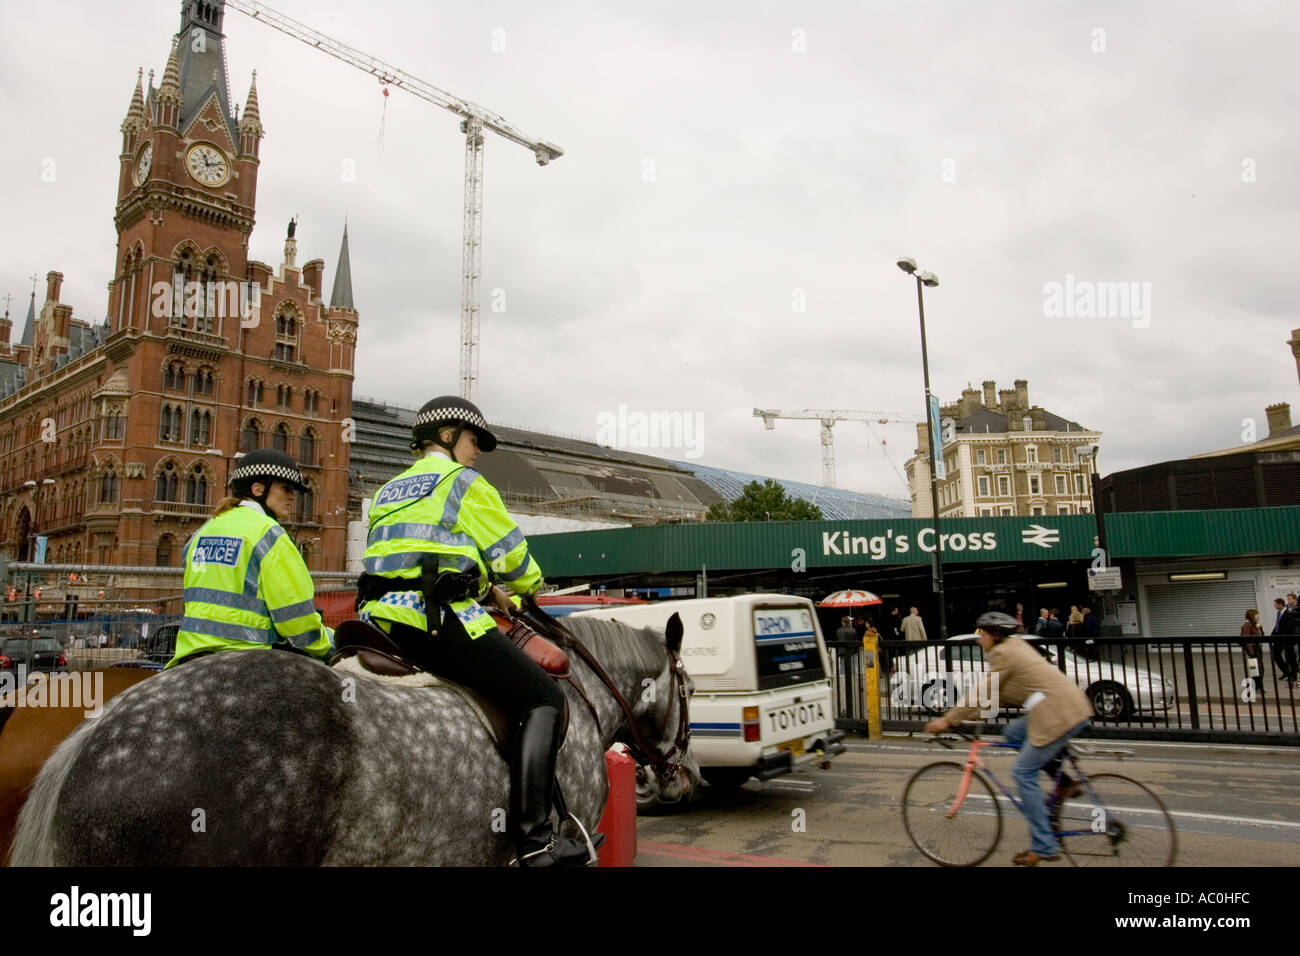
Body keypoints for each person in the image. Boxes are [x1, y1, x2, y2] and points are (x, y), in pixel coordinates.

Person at [356, 395, 590, 867]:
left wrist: (483, 586)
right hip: (434, 623)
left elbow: (413, 557)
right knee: (543, 697)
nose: (477, 450)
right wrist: (524, 585)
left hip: (378, 624)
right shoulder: (464, 483)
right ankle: (536, 842)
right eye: (472, 440)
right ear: (447, 437)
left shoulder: (387, 490)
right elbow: (514, 561)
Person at [924, 611, 1092, 867]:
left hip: (1057, 713)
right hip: (1064, 705)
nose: (978, 639)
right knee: (1012, 733)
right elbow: (998, 693)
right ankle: (1065, 783)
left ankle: (1044, 846)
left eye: (981, 634)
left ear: (995, 635)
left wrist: (946, 720)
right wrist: (971, 714)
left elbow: (984, 691)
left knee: (1023, 773)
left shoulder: (1003, 653)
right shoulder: (1015, 646)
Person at [168, 449, 332, 668]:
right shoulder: (268, 533)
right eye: (286, 488)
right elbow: (296, 620)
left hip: (189, 656)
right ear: (258, 489)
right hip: (247, 659)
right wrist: (329, 644)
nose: (292, 496)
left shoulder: (203, 532)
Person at [1270, 597, 1297, 685]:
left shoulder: (1288, 613)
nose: (1274, 605)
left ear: (1280, 604)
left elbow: (1289, 627)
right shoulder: (1279, 613)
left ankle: (1293, 674)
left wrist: (1282, 636)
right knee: (1275, 654)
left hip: (1286, 639)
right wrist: (1272, 634)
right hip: (1279, 638)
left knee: (1290, 656)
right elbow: (1277, 625)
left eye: (1275, 604)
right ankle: (1286, 671)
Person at [1241, 609, 1265, 701]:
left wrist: (1260, 628)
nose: (1258, 616)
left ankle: (1258, 686)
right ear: (1252, 615)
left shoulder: (1256, 625)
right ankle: (1256, 687)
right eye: (1256, 614)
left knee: (1259, 668)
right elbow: (1246, 639)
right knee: (1256, 669)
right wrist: (1251, 652)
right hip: (1253, 649)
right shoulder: (1248, 625)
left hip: (1257, 648)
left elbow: (1261, 636)